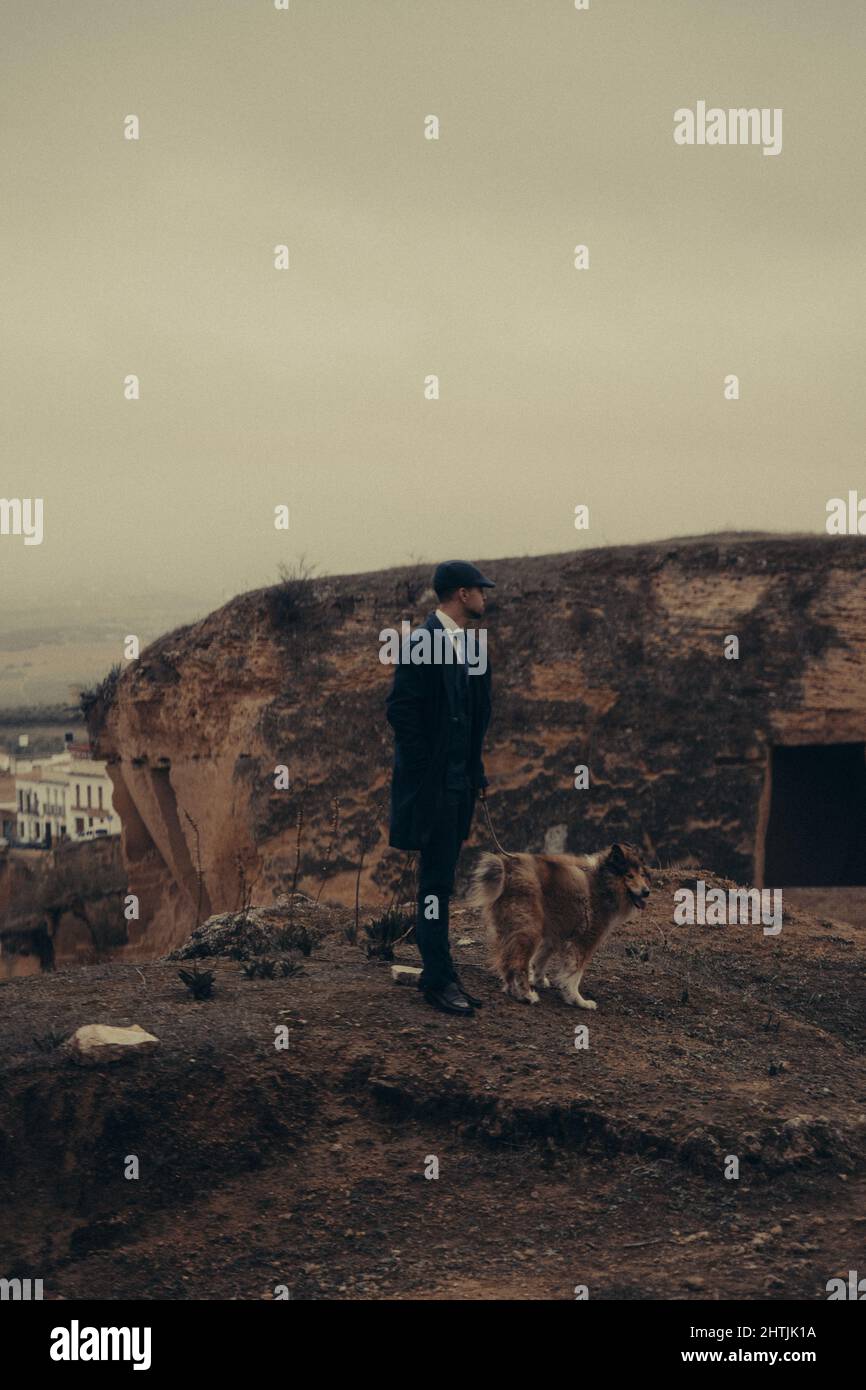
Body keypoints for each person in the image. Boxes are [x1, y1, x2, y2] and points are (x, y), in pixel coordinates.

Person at [385, 560, 494, 1015]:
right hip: (434, 789)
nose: (485, 598)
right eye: (480, 590)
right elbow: (401, 712)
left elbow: (474, 721)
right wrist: (428, 771)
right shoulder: (420, 644)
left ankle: (444, 975)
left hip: (458, 789)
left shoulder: (472, 647)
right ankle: (437, 980)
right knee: (434, 885)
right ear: (462, 594)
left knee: (441, 882)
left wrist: (474, 777)